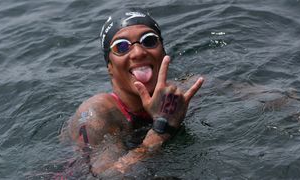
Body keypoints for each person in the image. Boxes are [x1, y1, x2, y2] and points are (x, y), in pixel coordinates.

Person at [64, 7, 204, 176]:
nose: (138, 52)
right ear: (110, 66)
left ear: (163, 52)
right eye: (121, 46)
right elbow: (108, 176)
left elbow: (242, 93)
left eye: (149, 41)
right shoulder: (98, 115)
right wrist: (161, 130)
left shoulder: (184, 92)